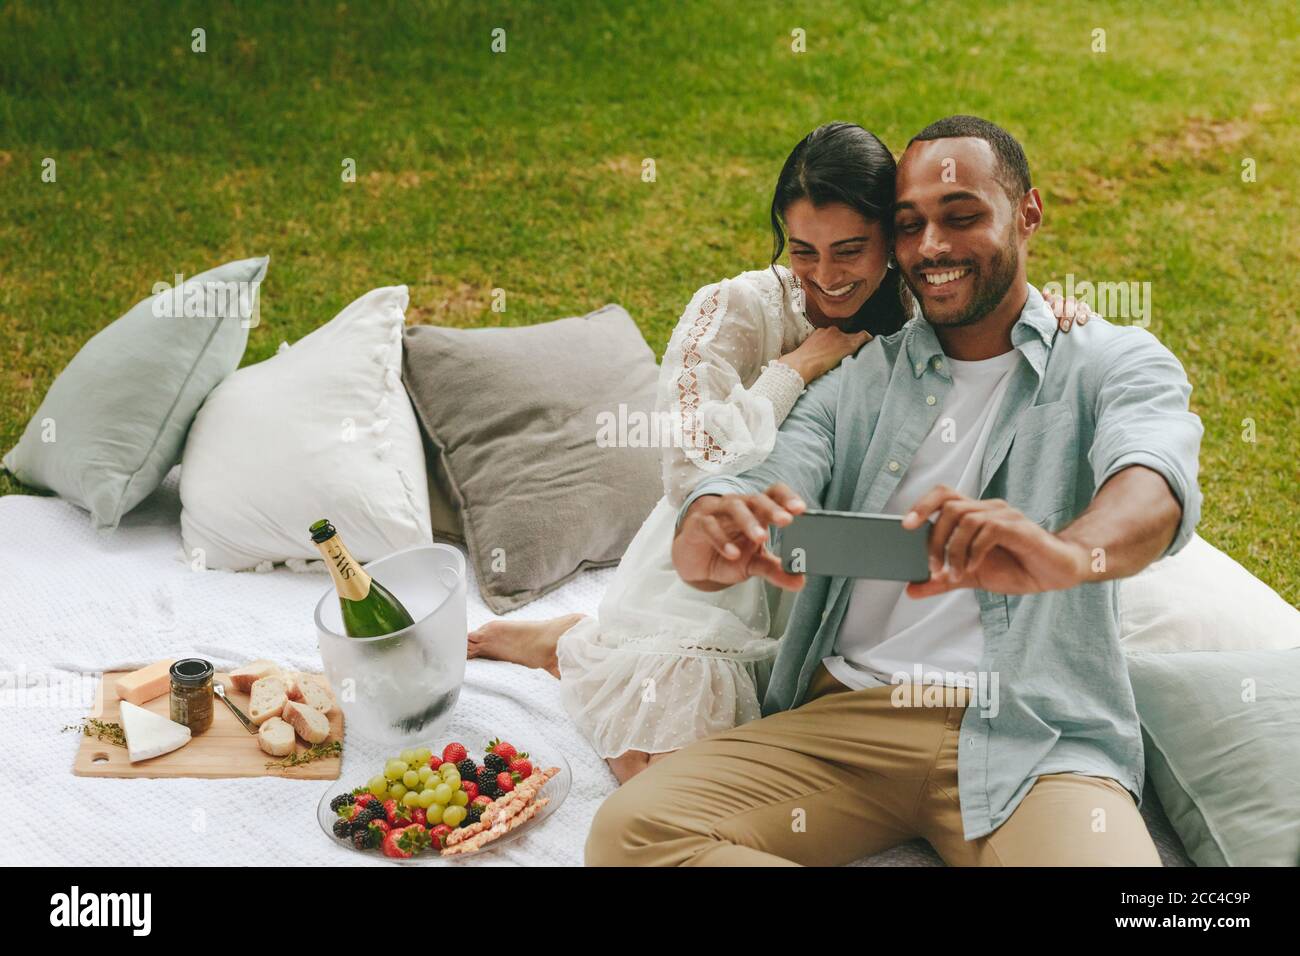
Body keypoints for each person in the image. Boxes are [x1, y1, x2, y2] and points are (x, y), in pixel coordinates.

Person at [585, 115, 1203, 866]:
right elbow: (770, 473)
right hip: (847, 719)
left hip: (1033, 733)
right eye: (910, 227)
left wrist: (1069, 554)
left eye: (962, 217)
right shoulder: (860, 376)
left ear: (1028, 213)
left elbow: (1154, 477)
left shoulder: (1112, 361)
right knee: (633, 833)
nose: (933, 248)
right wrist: (717, 521)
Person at [470, 122, 1092, 786]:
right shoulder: (736, 310)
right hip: (719, 564)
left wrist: (1052, 311)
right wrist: (797, 366)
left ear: (892, 236)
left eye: (851, 250)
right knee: (654, 777)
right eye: (803, 250)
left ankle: (573, 643)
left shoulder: (923, 310)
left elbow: (997, 317)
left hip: (836, 566)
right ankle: (574, 645)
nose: (827, 276)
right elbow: (691, 470)